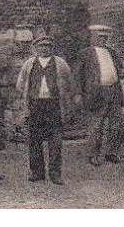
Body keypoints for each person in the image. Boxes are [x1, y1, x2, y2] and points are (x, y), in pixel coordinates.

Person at [14, 32, 76, 184]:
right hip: (35, 105)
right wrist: (27, 99)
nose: (44, 49)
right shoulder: (29, 64)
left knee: (55, 141)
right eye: (41, 46)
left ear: (52, 48)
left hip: (54, 105)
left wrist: (66, 100)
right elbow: (20, 84)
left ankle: (55, 173)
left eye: (47, 46)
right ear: (36, 48)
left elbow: (69, 82)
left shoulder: (60, 63)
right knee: (34, 140)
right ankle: (37, 172)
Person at [80, 24, 124, 165]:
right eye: (100, 37)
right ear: (93, 37)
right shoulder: (86, 53)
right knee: (96, 126)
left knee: (116, 125)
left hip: (114, 92)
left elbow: (120, 70)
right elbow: (78, 75)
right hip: (96, 93)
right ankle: (93, 154)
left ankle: (112, 152)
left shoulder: (112, 52)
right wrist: (79, 94)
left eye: (105, 37)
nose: (103, 39)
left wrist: (123, 73)